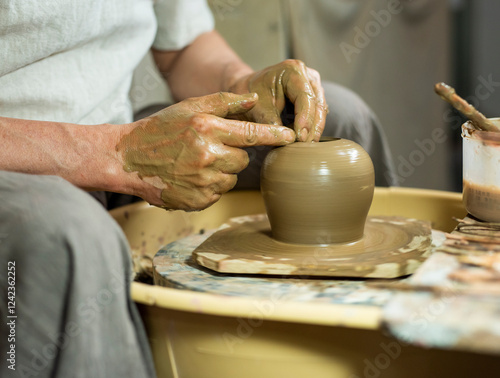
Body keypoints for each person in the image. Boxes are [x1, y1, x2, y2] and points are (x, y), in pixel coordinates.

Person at [0, 1, 395, 377]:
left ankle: (375, 349)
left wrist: (243, 87)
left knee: (343, 122)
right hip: (19, 159)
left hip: (113, 130)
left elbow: (184, 46)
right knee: (68, 233)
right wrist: (117, 153)